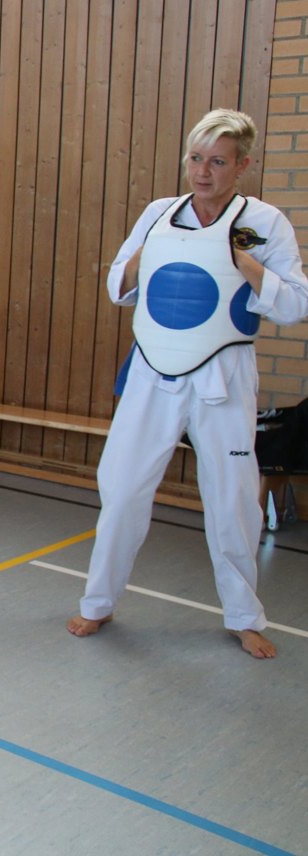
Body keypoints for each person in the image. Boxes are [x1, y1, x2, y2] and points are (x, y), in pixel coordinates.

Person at [66, 109, 308, 659]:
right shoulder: (159, 213)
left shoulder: (263, 222)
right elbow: (118, 286)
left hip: (224, 374)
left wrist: (237, 259)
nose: (202, 172)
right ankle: (98, 602)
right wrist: (151, 254)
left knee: (233, 500)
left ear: (242, 165)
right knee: (122, 490)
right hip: (153, 370)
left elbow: (296, 304)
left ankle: (244, 617)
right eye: (195, 159)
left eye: (217, 162)